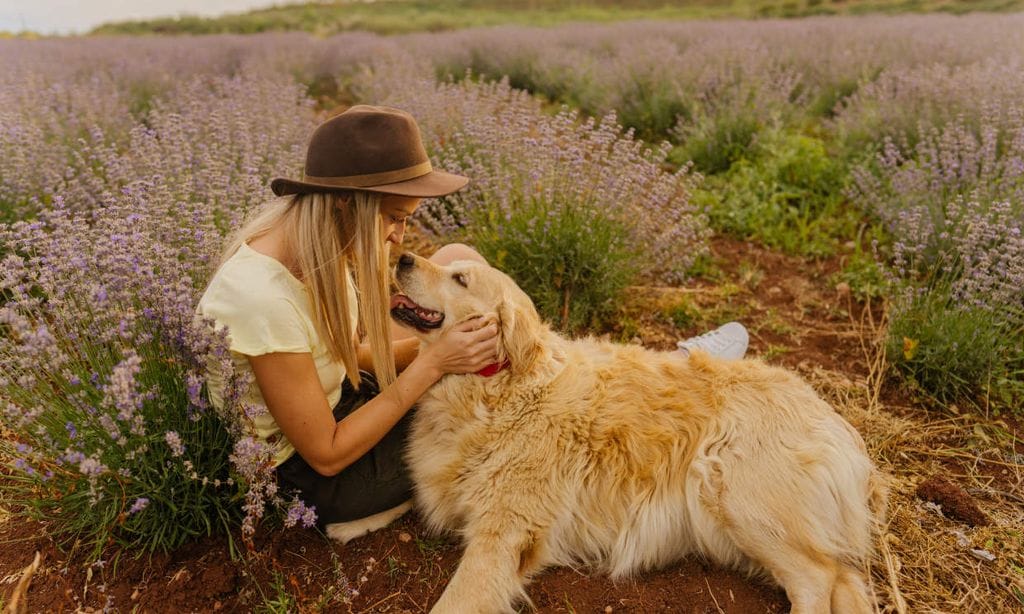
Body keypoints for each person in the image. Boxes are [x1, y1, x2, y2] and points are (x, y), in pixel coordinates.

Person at [197, 104, 749, 537]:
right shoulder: (260, 299)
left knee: (462, 262)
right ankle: (665, 372)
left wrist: (443, 350)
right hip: (317, 478)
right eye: (393, 221)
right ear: (346, 204)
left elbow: (343, 361)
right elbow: (327, 449)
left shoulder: (317, 249)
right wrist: (436, 362)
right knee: (503, 416)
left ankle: (627, 373)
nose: (398, 239)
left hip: (340, 402)